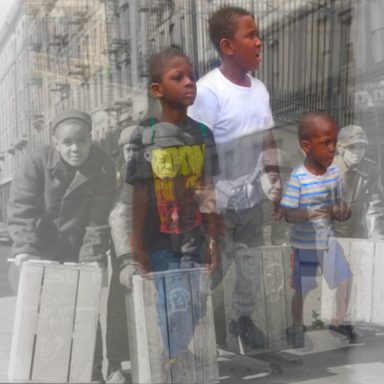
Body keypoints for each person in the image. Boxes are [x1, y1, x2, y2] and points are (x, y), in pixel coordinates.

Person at [188, 6, 281, 350]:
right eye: (251, 35)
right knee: (213, 269)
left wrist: (274, 179)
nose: (259, 42)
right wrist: (209, 216)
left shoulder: (259, 89)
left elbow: (267, 137)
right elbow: (199, 156)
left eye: (258, 35)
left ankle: (241, 320)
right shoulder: (208, 92)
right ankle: (192, 333)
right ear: (227, 46)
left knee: (250, 267)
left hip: (250, 200)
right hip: (220, 204)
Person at [123, 47, 221, 363]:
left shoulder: (203, 134)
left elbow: (208, 190)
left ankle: (174, 357)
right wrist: (137, 245)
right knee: (173, 303)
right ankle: (172, 363)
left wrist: (214, 239)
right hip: (160, 241)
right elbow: (138, 195)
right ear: (158, 89)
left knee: (196, 303)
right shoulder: (145, 134)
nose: (189, 82)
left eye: (192, 75)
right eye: (178, 77)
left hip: (194, 237)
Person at [7, 109, 116, 382]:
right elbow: (22, 209)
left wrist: (92, 255)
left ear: (91, 139)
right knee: (41, 316)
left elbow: (98, 218)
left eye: (82, 142)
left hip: (78, 249)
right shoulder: (34, 161)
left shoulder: (103, 164)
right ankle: (42, 375)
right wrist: (25, 250)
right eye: (67, 143)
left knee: (85, 313)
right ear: (55, 143)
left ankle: (91, 375)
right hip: (40, 249)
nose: (75, 149)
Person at [280, 112, 355, 348]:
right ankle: (296, 325)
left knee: (345, 279)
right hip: (304, 246)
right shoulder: (298, 178)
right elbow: (288, 214)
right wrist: (321, 212)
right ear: (306, 146)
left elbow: (340, 205)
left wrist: (343, 211)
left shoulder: (334, 174)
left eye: (334, 142)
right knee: (302, 287)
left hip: (328, 241)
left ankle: (339, 320)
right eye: (325, 143)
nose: (332, 148)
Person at [106, 126, 141, 384]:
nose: (133, 154)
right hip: (123, 250)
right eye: (129, 149)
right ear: (122, 151)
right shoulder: (118, 174)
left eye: (138, 149)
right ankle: (114, 364)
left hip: (150, 248)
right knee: (119, 304)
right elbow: (118, 216)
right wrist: (126, 258)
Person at [333, 124, 384, 239]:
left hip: (357, 231)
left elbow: (375, 206)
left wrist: (376, 235)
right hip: (331, 230)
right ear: (341, 148)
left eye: (361, 147)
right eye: (352, 147)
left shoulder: (372, 169)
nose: (357, 152)